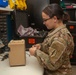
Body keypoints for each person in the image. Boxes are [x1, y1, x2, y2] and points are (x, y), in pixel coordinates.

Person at [29, 3, 74, 75]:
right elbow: (51, 47)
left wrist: (36, 52)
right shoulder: (56, 31)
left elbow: (52, 64)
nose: (44, 23)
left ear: (55, 19)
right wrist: (41, 46)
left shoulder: (60, 38)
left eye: (45, 20)